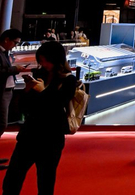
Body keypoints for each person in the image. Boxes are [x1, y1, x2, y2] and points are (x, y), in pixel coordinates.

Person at [2, 41, 77, 195]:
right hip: (29, 135)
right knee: (12, 179)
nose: (43, 64)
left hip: (51, 138)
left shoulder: (68, 80)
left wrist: (43, 91)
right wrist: (27, 90)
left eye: (46, 60)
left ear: (56, 59)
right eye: (41, 60)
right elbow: (24, 107)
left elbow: (56, 106)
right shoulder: (39, 74)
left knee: (45, 181)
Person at [0, 30, 29, 170]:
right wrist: (14, 69)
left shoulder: (5, 53)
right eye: (15, 42)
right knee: (1, 124)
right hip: (2, 93)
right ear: (6, 39)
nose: (15, 46)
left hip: (7, 91)